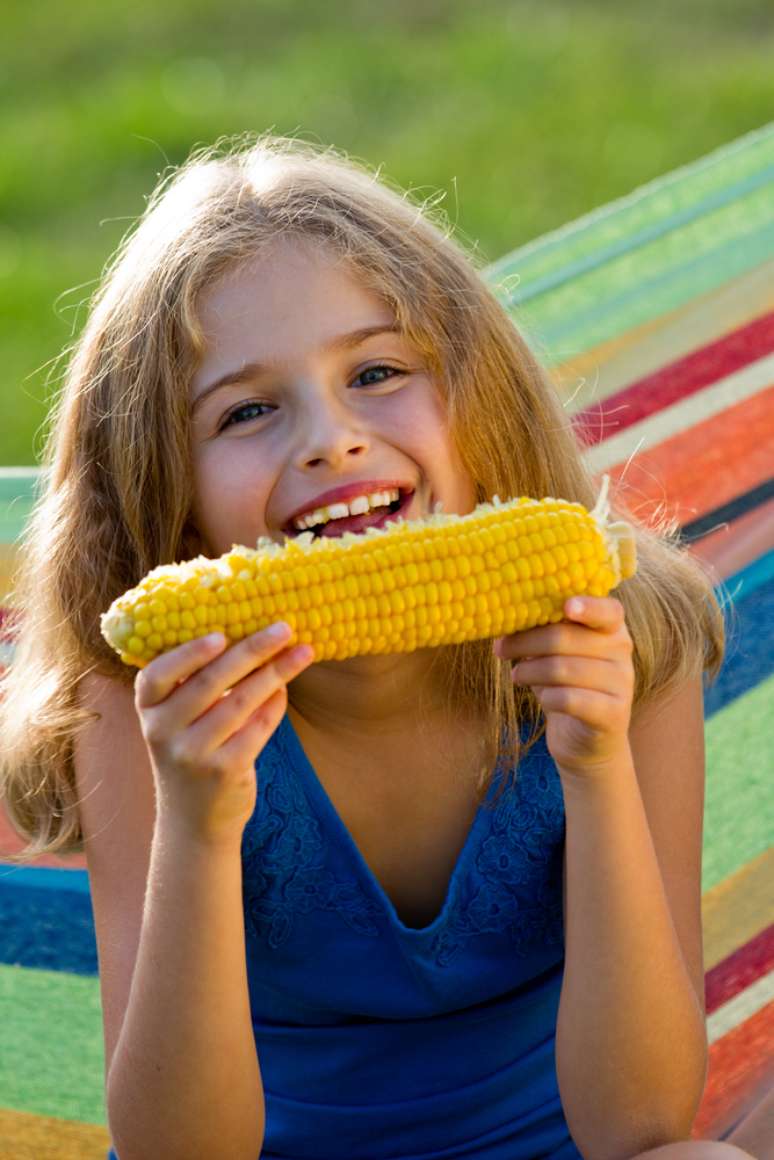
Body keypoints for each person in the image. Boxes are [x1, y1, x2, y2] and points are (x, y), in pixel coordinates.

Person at [0, 135, 758, 1160]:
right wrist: (198, 821)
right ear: (168, 502)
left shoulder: (623, 630)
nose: (331, 437)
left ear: (478, 398)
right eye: (248, 409)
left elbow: (643, 1123)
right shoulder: (147, 702)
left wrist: (596, 764)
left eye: (377, 369)